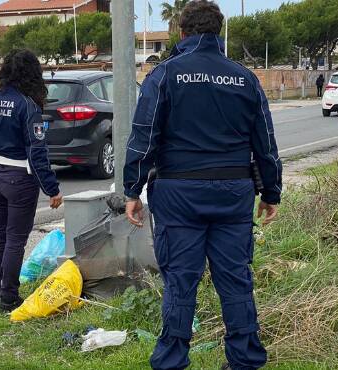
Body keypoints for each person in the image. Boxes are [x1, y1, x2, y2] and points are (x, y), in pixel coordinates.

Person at [123, 1, 281, 369]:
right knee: (235, 279)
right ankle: (244, 359)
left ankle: (173, 359)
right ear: (218, 32)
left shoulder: (164, 75)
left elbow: (143, 139)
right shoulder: (244, 79)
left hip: (179, 195)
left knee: (180, 279)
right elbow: (266, 144)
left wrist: (132, 190)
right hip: (233, 194)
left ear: (182, 32)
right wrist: (271, 192)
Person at [0, 49, 63, 312]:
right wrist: (52, 188)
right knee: (15, 239)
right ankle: (9, 297)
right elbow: (37, 151)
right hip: (19, 178)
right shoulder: (27, 105)